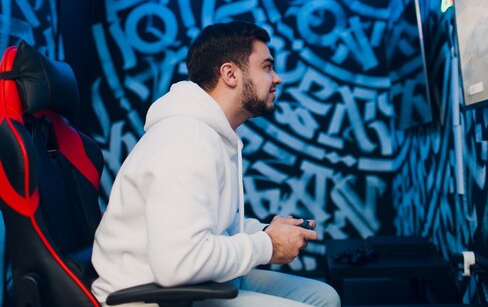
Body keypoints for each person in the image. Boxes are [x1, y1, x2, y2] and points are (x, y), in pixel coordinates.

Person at [91, 21, 341, 307]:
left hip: (192, 286)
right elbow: (179, 263)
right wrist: (268, 246)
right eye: (267, 67)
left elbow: (209, 223)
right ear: (230, 73)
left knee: (323, 297)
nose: (277, 78)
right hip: (151, 298)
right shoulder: (186, 141)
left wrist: (263, 231)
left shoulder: (213, 136)